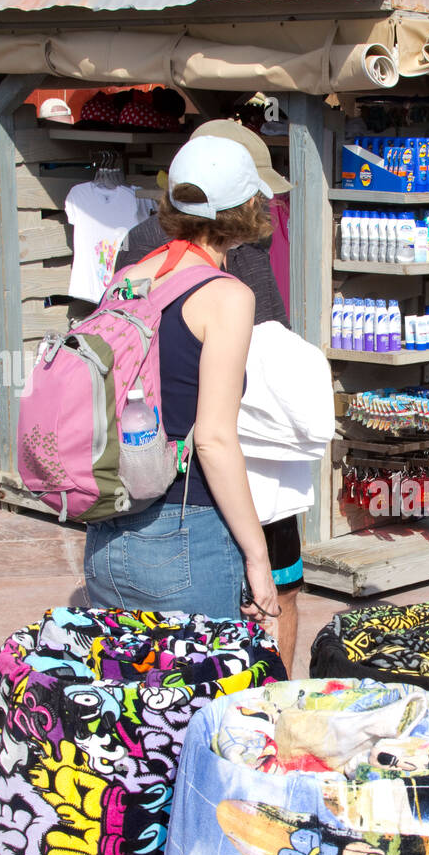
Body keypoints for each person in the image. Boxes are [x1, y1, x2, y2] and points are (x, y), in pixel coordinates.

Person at [84, 135, 280, 629]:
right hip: (184, 532)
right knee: (204, 701)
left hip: (108, 530)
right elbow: (213, 440)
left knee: (131, 700)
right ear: (248, 208)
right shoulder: (225, 296)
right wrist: (259, 560)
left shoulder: (129, 278)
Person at [119, 118, 290, 328]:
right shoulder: (148, 244)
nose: (257, 203)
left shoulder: (249, 246)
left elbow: (275, 329)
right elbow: (134, 338)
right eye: (253, 194)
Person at [237, 319, 334, 675]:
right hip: (224, 478)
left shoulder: (279, 341)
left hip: (276, 488)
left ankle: (280, 689)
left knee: (284, 593)